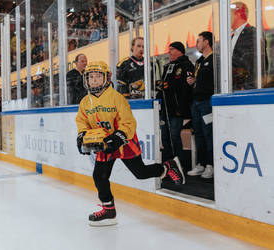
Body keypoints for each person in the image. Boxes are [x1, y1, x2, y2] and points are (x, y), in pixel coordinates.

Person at [76, 61, 185, 226]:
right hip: (104, 144)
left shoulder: (116, 98)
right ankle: (108, 210)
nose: (95, 80)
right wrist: (82, 136)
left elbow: (128, 122)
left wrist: (119, 136)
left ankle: (167, 167)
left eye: (98, 76)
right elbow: (82, 122)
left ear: (106, 78)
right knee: (99, 176)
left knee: (140, 173)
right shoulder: (85, 102)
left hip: (124, 142)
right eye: (91, 77)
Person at [158, 42, 194, 163]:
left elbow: (186, 89)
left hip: (177, 109)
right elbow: (164, 86)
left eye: (172, 49)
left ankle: (179, 162)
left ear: (180, 50)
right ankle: (168, 162)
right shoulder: (167, 66)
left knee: (174, 136)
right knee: (165, 136)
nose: (169, 52)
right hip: (165, 108)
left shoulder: (186, 65)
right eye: (169, 49)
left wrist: (182, 107)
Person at [186, 32, 214, 178]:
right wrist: (193, 81)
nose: (197, 43)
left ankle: (211, 165)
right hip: (196, 103)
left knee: (209, 134)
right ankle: (201, 164)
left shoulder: (215, 59)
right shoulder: (199, 61)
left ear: (207, 42)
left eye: (199, 41)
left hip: (207, 102)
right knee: (198, 134)